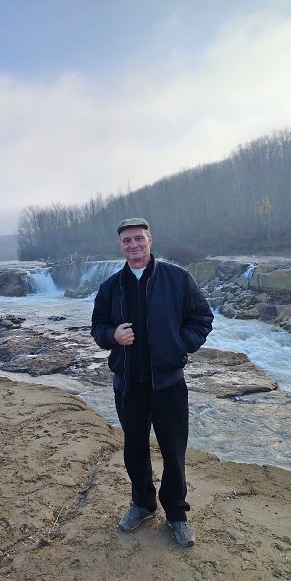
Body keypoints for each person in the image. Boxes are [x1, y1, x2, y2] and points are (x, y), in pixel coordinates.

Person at [91, 217, 213, 547]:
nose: (133, 244)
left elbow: (202, 318)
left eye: (138, 238)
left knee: (173, 450)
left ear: (150, 240)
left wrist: (179, 345)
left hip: (168, 383)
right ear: (121, 246)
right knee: (134, 449)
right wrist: (112, 335)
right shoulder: (111, 287)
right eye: (127, 240)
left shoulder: (178, 279)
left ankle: (176, 513)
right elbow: (97, 327)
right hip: (128, 384)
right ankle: (143, 504)